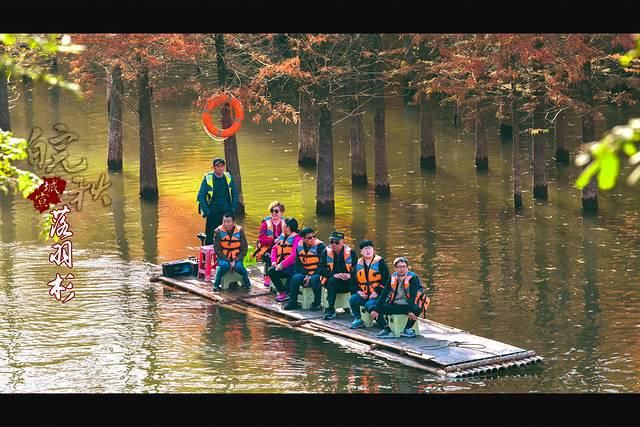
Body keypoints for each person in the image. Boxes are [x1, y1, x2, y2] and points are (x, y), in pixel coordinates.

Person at [370, 257, 428, 338]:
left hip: (408, 305)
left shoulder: (413, 278)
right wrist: (376, 309)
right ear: (395, 268)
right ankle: (387, 329)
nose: (402, 269)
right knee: (372, 308)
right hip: (395, 305)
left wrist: (409, 311)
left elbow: (413, 296)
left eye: (404, 266)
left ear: (407, 267)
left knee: (418, 308)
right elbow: (384, 293)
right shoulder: (392, 277)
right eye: (399, 267)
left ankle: (407, 328)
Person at [347, 239, 390, 327]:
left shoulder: (380, 262)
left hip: (379, 295)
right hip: (365, 294)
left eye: (369, 248)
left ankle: (383, 325)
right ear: (361, 252)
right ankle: (358, 319)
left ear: (373, 250)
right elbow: (353, 282)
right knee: (353, 299)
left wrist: (376, 292)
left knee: (369, 305)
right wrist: (358, 291)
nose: (368, 250)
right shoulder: (358, 264)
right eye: (365, 249)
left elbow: (386, 280)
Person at [197, 158, 239, 245]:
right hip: (213, 212)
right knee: (210, 237)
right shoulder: (208, 179)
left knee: (228, 237)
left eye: (222, 166)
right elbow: (201, 196)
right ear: (213, 167)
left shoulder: (228, 177)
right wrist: (207, 211)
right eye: (218, 166)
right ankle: (207, 256)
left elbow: (235, 193)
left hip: (226, 212)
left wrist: (233, 208)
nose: (220, 168)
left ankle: (227, 256)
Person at [283, 227, 325, 310]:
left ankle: (317, 303)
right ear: (303, 239)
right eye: (309, 238)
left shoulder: (320, 246)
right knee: (295, 278)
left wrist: (311, 275)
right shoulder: (300, 247)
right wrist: (306, 274)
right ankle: (293, 302)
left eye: (314, 236)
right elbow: (298, 264)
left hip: (319, 273)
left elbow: (323, 265)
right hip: (306, 272)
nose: (312, 239)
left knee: (314, 279)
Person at [319, 232, 358, 320]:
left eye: (337, 242)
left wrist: (349, 275)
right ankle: (331, 309)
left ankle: (355, 310)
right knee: (332, 281)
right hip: (332, 282)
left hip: (347, 281)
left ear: (343, 242)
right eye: (331, 242)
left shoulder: (351, 252)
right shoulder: (325, 252)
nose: (334, 244)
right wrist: (334, 275)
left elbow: (357, 269)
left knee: (355, 280)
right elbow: (320, 269)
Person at [211, 212, 251, 292]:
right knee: (224, 265)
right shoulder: (218, 231)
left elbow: (244, 249)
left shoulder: (240, 231)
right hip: (223, 257)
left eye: (228, 221)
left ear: (234, 222)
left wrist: (236, 259)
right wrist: (228, 260)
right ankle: (216, 285)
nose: (226, 224)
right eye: (224, 221)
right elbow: (217, 250)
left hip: (236, 257)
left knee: (239, 267)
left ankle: (247, 284)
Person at [267, 217, 302, 302]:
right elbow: (274, 249)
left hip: (292, 266)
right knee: (271, 270)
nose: (282, 226)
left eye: (284, 225)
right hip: (280, 266)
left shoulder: (297, 238)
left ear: (288, 227)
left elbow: (294, 255)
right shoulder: (282, 237)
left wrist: (283, 264)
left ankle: (289, 292)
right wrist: (274, 261)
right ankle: (282, 292)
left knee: (293, 275)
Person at [253, 201, 285, 288]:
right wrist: (274, 240)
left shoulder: (285, 223)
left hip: (282, 246)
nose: (274, 213)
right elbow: (261, 238)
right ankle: (267, 275)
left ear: (281, 212)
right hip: (268, 247)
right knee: (269, 257)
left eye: (276, 211)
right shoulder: (265, 223)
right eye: (272, 211)